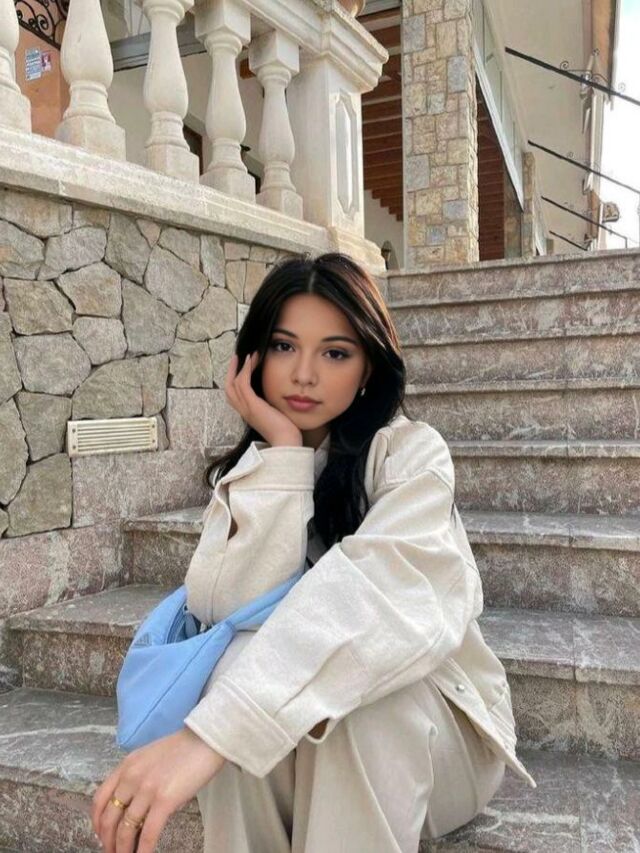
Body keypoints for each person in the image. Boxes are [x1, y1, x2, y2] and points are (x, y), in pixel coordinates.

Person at [92, 252, 536, 853]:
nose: (303, 375)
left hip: (431, 740)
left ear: (368, 367)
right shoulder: (258, 469)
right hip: (293, 742)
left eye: (335, 353)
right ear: (254, 357)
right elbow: (226, 613)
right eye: (283, 347)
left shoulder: (411, 456)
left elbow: (377, 599)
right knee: (234, 663)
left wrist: (211, 735)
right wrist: (284, 456)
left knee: (362, 705)